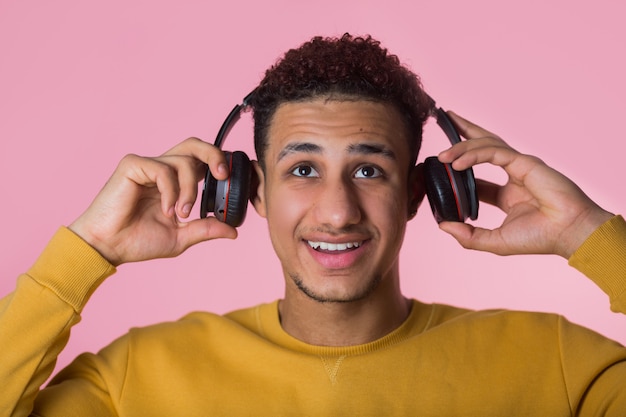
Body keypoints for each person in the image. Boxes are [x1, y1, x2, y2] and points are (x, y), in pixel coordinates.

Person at [2, 33, 625, 416]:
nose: (336, 211)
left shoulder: (559, 366)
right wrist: (85, 252)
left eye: (369, 171)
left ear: (420, 193)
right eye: (302, 170)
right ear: (252, 192)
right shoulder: (136, 377)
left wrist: (587, 231)